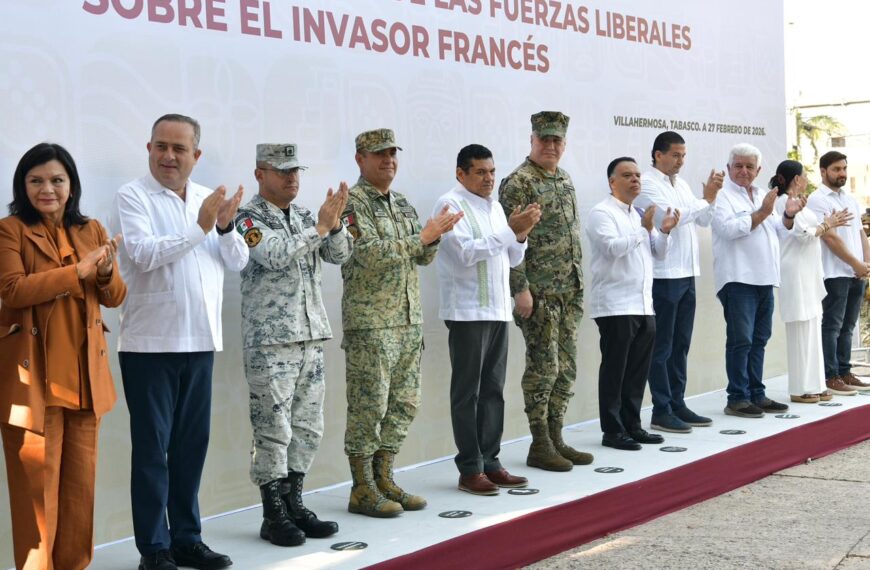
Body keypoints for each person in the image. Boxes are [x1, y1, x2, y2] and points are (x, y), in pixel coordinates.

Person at [109, 114, 247, 570]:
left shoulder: (209, 200)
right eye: (161, 147)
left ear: (196, 156)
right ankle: (154, 549)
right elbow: (144, 255)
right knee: (153, 452)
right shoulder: (133, 196)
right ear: (148, 148)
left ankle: (188, 538)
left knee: (191, 448)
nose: (169, 156)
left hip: (201, 340)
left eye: (179, 149)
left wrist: (224, 227)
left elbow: (238, 260)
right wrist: (201, 227)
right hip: (150, 345)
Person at [0, 142, 126, 570]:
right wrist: (78, 272)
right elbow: (13, 290)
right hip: (34, 383)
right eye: (36, 181)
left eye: (56, 180)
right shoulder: (9, 229)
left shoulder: (90, 229)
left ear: (71, 186)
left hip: (85, 382)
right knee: (37, 500)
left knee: (78, 494)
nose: (47, 189)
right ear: (23, 185)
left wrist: (105, 271)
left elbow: (114, 296)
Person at [340, 128, 462, 517]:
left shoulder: (403, 203)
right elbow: (366, 254)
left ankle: (384, 478)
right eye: (379, 154)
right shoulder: (349, 203)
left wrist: (435, 236)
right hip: (371, 324)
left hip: (408, 321)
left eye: (393, 153)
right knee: (368, 406)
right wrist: (422, 237)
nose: (388, 160)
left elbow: (421, 257)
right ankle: (361, 487)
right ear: (360, 158)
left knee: (403, 404)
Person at [236, 144, 351, 545]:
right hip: (271, 342)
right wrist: (319, 227)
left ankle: (295, 505)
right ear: (260, 174)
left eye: (295, 171)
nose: (291, 179)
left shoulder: (305, 215)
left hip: (310, 336)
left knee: (307, 427)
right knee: (273, 430)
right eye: (282, 171)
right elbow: (273, 255)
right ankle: (272, 514)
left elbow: (341, 253)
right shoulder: (246, 217)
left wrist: (334, 225)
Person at [433, 144, 540, 495]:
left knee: (493, 391)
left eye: (492, 171)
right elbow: (465, 253)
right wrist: (511, 231)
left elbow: (511, 257)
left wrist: (520, 234)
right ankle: (469, 468)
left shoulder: (495, 207)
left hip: (496, 309)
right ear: (461, 174)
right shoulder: (449, 204)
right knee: (468, 392)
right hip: (466, 311)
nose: (489, 178)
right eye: (480, 172)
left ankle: (491, 462)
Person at [498, 111, 591, 472]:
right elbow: (511, 241)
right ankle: (539, 442)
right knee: (543, 368)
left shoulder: (564, 179)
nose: (550, 146)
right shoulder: (518, 182)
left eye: (557, 140)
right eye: (544, 139)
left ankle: (556, 437)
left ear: (564, 144)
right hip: (539, 293)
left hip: (569, 290)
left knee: (565, 368)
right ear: (532, 140)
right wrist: (519, 289)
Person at [586, 157, 678, 450]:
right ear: (613, 181)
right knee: (616, 370)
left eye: (638, 175)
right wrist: (643, 229)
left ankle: (633, 425)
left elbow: (658, 254)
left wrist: (662, 231)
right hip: (615, 305)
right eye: (627, 175)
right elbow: (612, 249)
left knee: (638, 370)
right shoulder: (602, 213)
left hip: (642, 304)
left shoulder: (638, 212)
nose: (635, 180)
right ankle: (612, 431)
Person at [634, 131, 724, 433]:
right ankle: (661, 409)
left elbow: (702, 220)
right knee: (662, 346)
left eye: (683, 155)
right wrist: (705, 200)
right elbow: (667, 219)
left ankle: (677, 402)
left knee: (681, 344)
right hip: (664, 274)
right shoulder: (646, 183)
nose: (680, 161)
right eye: (675, 155)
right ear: (658, 154)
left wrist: (707, 201)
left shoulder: (682, 184)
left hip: (688, 273)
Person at [711, 143, 789, 418]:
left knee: (759, 339)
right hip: (738, 278)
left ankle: (756, 393)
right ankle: (737, 397)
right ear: (729, 168)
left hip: (765, 277)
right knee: (740, 340)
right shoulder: (721, 196)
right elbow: (728, 229)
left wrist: (788, 214)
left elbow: (779, 230)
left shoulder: (761, 194)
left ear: (758, 170)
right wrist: (763, 213)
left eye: (749, 167)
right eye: (738, 166)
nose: (744, 171)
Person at [770, 159, 852, 403]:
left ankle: (815, 383)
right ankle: (800, 387)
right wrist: (828, 224)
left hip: (808, 272)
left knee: (813, 327)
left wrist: (829, 223)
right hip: (794, 272)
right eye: (804, 175)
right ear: (796, 178)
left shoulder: (801, 203)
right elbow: (802, 234)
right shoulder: (784, 202)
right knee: (800, 330)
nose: (807, 179)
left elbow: (811, 230)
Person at [806, 150, 870, 395]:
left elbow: (860, 233)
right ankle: (830, 375)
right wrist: (856, 264)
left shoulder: (849, 199)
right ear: (823, 171)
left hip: (855, 273)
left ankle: (844, 371)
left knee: (848, 326)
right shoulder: (818, 200)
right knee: (832, 326)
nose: (842, 173)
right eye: (836, 169)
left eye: (844, 168)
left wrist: (866, 264)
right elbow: (830, 238)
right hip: (834, 273)